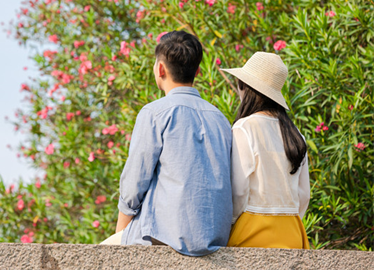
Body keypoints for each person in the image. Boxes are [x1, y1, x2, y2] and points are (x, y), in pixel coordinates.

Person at [100, 30, 233, 256]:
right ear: (198, 71)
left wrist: (121, 232)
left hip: (163, 236)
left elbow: (134, 184)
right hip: (215, 238)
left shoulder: (154, 113)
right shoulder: (221, 119)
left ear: (160, 69)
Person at [221, 52, 310, 249]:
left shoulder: (244, 128)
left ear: (245, 87)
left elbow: (239, 190)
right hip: (293, 231)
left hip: (252, 231)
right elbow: (304, 195)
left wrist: (232, 224)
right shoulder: (295, 134)